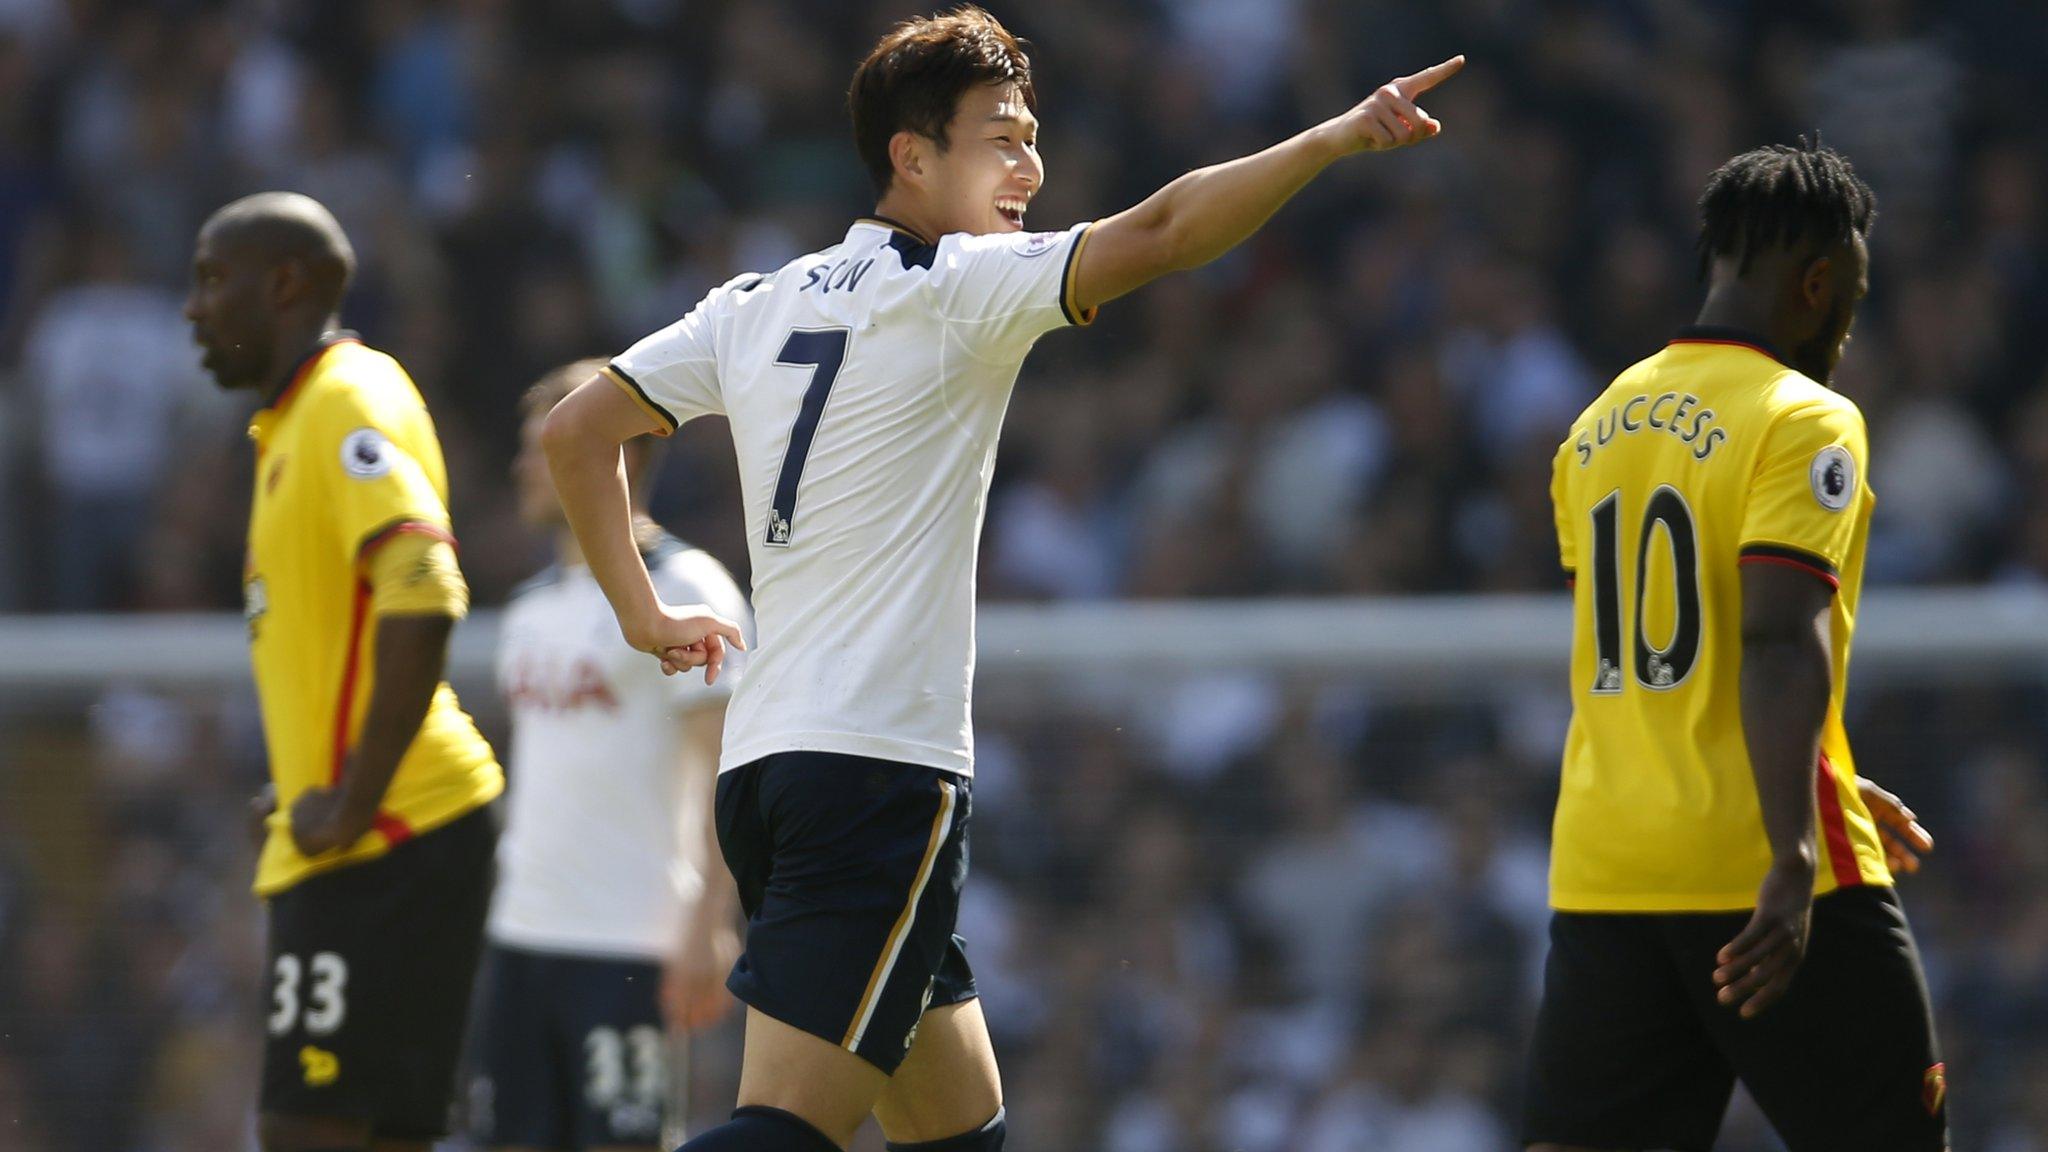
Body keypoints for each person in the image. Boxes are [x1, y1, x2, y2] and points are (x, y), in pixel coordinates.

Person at [539, 7, 1462, 1151]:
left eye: (1032, 136)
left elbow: (578, 430)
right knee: (782, 1131)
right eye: (1000, 138)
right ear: (910, 158)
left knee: (956, 1131)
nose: (1030, 166)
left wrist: (640, 611)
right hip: (877, 775)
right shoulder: (957, 288)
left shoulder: (754, 304)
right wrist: (1332, 139)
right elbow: (1169, 229)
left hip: (772, 775)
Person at [1525, 142, 1948, 1152]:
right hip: (1760, 874)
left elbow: (1671, 668)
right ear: (1816, 285)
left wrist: (1817, 765)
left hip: (1606, 871)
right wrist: (1794, 841)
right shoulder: (1803, 420)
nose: (1844, 325)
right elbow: (1766, 640)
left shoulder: (1592, 428)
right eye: (1846, 296)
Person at [184, 191, 504, 1152]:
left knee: (305, 1130)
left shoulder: (344, 401)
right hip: (390, 834)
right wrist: (300, 789)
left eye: (211, 279)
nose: (193, 308)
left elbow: (423, 586)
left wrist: (355, 798)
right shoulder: (291, 426)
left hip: (390, 838)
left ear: (284, 283)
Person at [470, 359, 750, 1151]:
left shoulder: (689, 589)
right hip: (521, 936)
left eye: (541, 446)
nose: (526, 465)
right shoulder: (529, 609)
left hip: (630, 943)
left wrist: (710, 919)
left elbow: (728, 766)